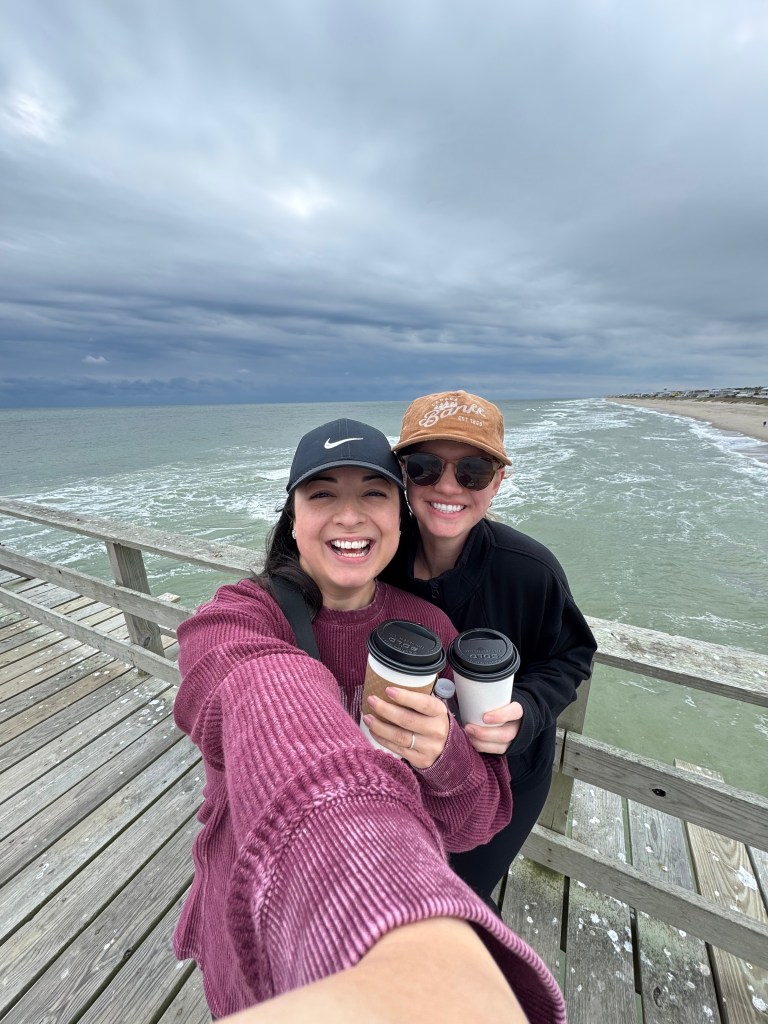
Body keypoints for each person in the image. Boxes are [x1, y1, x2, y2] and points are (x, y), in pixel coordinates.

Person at [172, 418, 563, 1021]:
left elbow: (478, 818)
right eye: (323, 494)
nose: (350, 516)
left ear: (399, 517)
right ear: (293, 518)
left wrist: (445, 756)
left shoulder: (430, 631)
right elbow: (249, 681)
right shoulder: (240, 615)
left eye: (373, 493)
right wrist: (371, 874)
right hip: (248, 908)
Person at [383, 390, 597, 905]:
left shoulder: (529, 571)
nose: (448, 486)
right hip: (401, 774)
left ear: (498, 482)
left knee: (458, 900)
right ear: (404, 476)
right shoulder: (377, 557)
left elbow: (572, 655)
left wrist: (527, 710)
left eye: (473, 471)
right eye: (425, 467)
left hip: (504, 781)